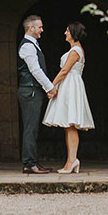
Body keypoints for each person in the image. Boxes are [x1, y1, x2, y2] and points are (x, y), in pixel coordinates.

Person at [42, 21, 94, 173]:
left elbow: (65, 70)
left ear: (73, 33)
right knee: (67, 125)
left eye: (67, 31)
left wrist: (51, 86)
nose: (65, 33)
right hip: (69, 85)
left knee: (70, 124)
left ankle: (72, 160)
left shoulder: (75, 51)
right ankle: (71, 160)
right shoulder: (75, 49)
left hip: (71, 85)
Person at [17, 15, 58, 174]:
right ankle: (29, 164)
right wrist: (49, 87)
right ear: (31, 28)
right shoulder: (27, 46)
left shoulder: (33, 45)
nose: (42, 30)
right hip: (30, 90)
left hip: (33, 90)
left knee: (32, 128)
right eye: (39, 27)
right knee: (30, 128)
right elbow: (35, 70)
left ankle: (33, 161)